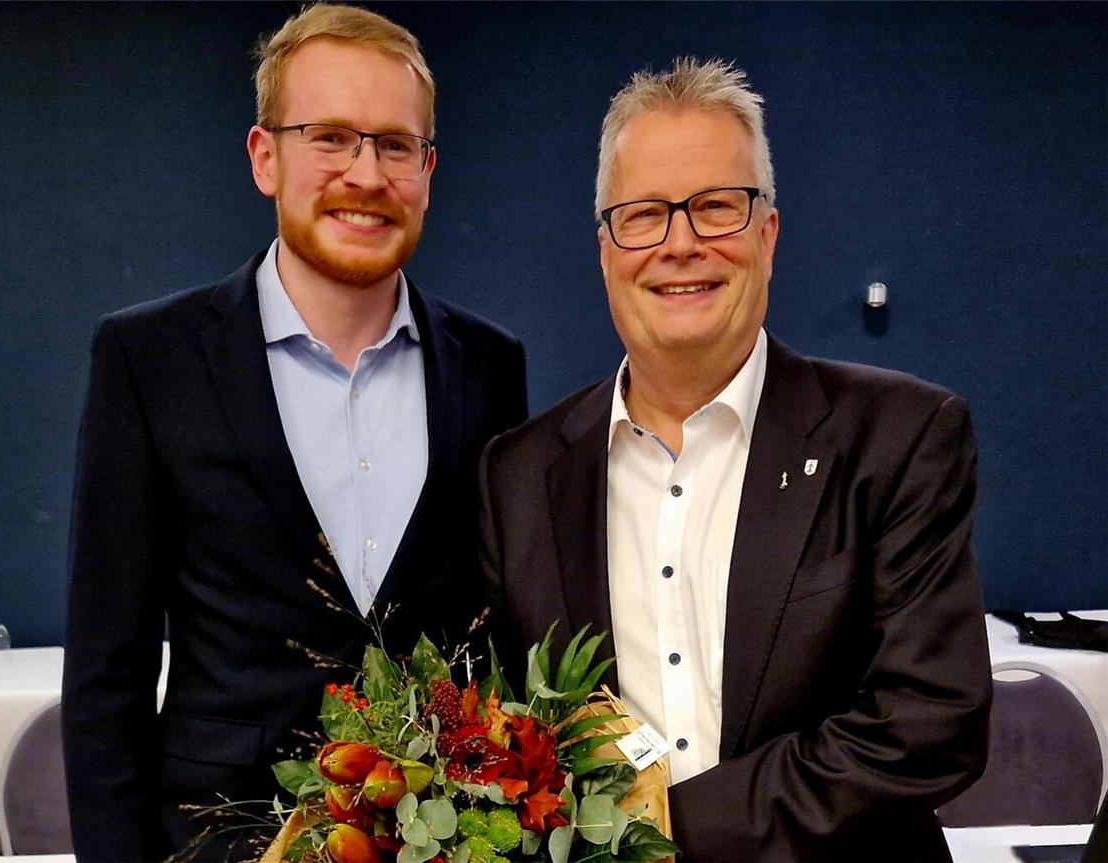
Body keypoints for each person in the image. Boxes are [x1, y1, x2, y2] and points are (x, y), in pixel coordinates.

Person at [480, 57, 990, 861]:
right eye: (645, 214)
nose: (681, 244)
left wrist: (660, 833)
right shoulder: (516, 475)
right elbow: (501, 737)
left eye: (717, 206)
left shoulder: (899, 436)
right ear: (607, 249)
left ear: (768, 235)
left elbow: (930, 722)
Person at [61, 5, 526, 859]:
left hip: (441, 841)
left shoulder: (491, 367)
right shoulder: (148, 358)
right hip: (214, 841)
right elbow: (106, 678)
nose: (366, 171)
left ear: (427, 169)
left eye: (395, 144)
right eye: (331, 137)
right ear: (265, 157)